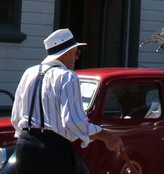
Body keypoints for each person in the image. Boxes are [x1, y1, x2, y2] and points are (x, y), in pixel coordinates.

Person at [10, 28, 122, 174]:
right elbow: (73, 122)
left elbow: (15, 117)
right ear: (67, 53)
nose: (76, 58)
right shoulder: (67, 76)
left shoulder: (28, 73)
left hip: (25, 145)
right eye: (76, 52)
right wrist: (106, 136)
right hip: (52, 149)